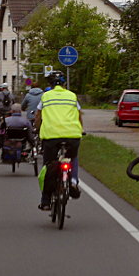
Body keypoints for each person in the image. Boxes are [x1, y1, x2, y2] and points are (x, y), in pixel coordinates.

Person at [34, 71, 83, 210]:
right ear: (64, 84)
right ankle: (73, 181)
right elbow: (79, 115)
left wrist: (37, 129)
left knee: (48, 164)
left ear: (50, 84)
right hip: (72, 135)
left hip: (51, 137)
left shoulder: (45, 96)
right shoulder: (72, 96)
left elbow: (38, 116)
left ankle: (45, 200)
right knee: (72, 157)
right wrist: (80, 129)